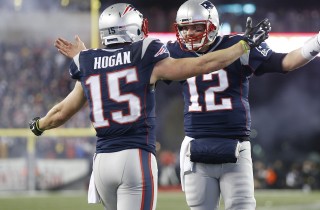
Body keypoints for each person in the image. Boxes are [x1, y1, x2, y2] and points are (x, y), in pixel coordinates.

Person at [28, 3, 270, 210]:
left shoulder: (87, 60)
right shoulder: (144, 52)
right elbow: (201, 65)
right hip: (134, 157)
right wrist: (243, 46)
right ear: (132, 28)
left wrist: (38, 126)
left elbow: (61, 112)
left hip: (101, 162)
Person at [166, 0, 320, 209]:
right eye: (184, 28)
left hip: (235, 144)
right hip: (196, 146)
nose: (189, 34)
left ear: (212, 25)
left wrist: (319, 42)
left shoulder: (240, 43)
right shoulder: (176, 51)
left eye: (196, 27)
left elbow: (285, 62)